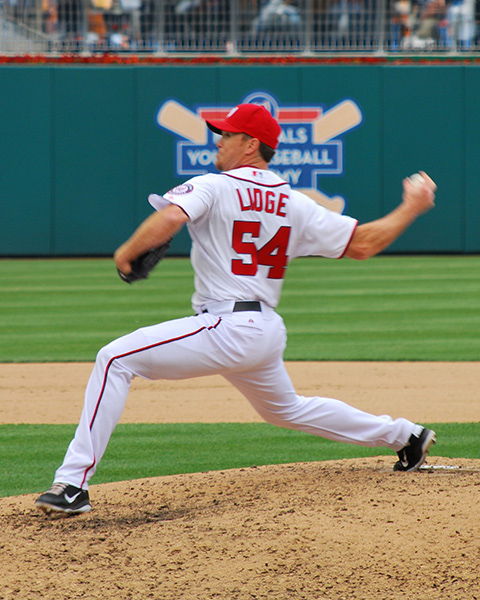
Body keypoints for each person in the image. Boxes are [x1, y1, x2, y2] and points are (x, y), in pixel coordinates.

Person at [35, 103, 437, 516]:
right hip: (263, 330)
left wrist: (125, 254)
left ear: (250, 144)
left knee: (114, 358)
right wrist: (411, 207)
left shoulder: (213, 185)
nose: (218, 140)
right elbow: (364, 243)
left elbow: (171, 216)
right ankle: (405, 435)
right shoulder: (294, 203)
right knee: (287, 409)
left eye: (227, 134)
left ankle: (71, 485)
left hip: (227, 325)